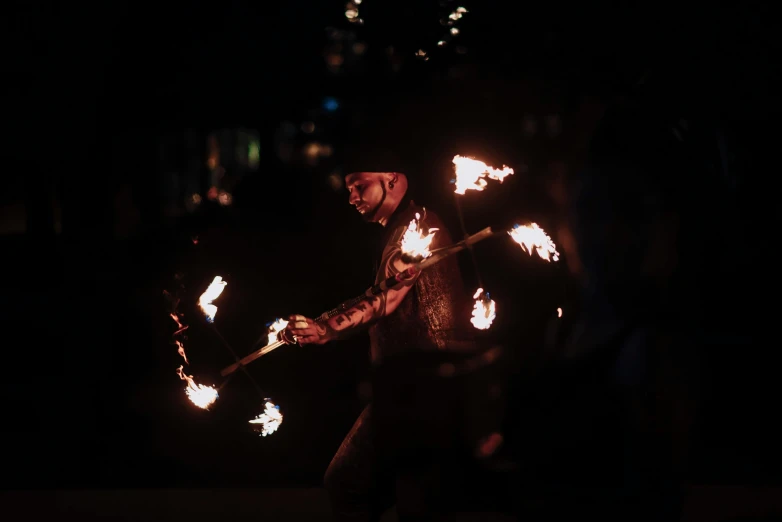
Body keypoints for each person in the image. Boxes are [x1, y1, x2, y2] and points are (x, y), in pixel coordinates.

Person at [282, 167, 475, 520]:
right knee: (403, 496)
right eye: (349, 188)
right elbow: (380, 291)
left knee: (349, 483)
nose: (352, 197)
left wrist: (325, 329)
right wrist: (320, 324)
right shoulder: (404, 227)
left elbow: (386, 298)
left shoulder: (417, 228)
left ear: (393, 180)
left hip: (424, 388)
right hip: (416, 387)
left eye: (360, 186)